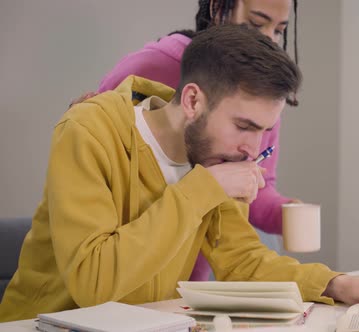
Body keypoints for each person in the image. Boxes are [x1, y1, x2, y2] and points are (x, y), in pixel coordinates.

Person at [0, 25, 359, 322]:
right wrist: (202, 189)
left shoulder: (213, 157)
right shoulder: (88, 131)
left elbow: (244, 262)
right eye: (244, 126)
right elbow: (94, 283)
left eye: (264, 131)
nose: (253, 149)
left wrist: (336, 284)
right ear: (194, 100)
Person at [83, 0, 302, 283]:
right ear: (217, 9)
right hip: (107, 284)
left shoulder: (260, 101)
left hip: (178, 292)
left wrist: (331, 281)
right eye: (256, 24)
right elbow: (94, 145)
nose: (268, 39)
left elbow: (243, 244)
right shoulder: (147, 71)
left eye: (279, 31)